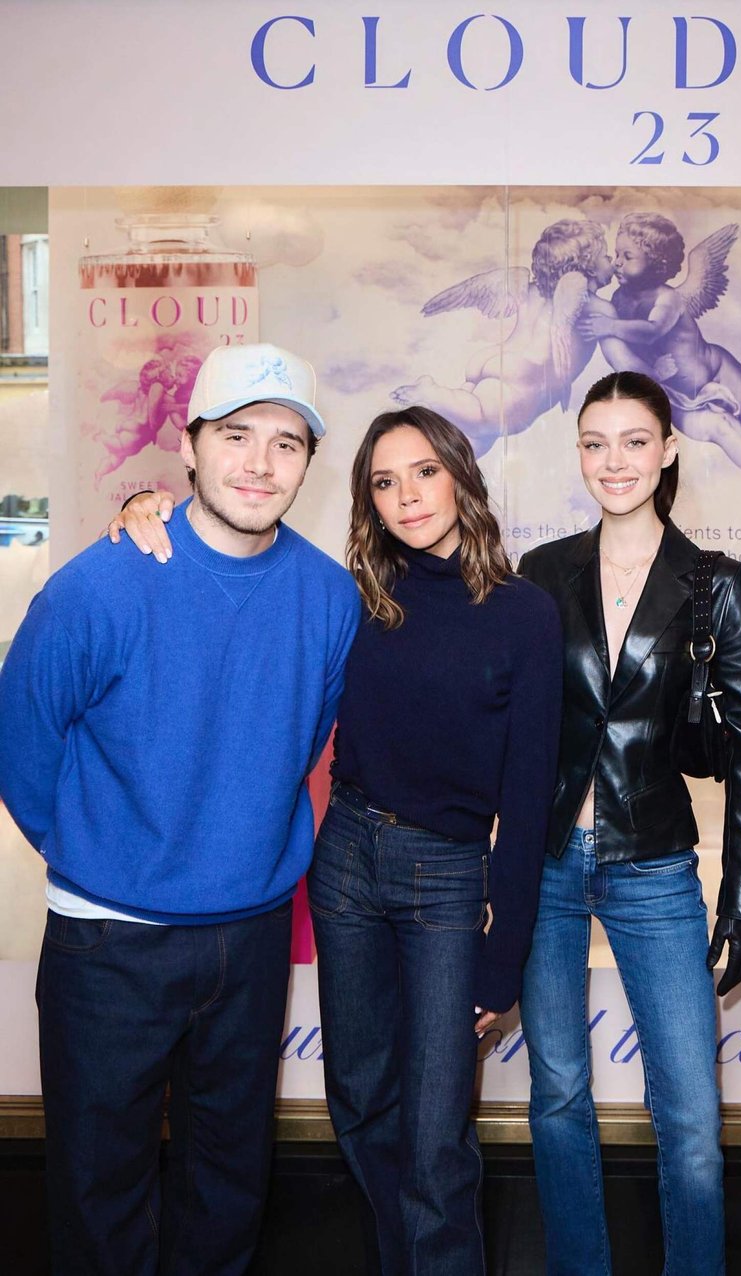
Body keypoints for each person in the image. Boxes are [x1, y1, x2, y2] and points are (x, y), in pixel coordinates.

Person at [110, 405, 563, 1276]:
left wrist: (502, 960)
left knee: (435, 1134)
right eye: (384, 483)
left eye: (424, 472)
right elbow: (224, 564)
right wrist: (143, 503)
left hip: (446, 881)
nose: (407, 496)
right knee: (357, 1100)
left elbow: (529, 796)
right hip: (347, 860)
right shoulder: (348, 595)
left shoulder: (524, 615)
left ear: (461, 476)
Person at [0, 342, 361, 1274]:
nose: (260, 463)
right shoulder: (104, 581)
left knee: (229, 1182)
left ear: (307, 465)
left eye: (287, 444)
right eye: (237, 435)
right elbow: (23, 742)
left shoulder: (328, 596)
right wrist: (98, 851)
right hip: (108, 940)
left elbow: (303, 744)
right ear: (191, 445)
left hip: (247, 935)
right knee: (99, 1189)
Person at [517, 370, 741, 1276]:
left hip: (654, 864)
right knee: (556, 1096)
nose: (614, 461)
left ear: (668, 449)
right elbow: (508, 730)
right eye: (595, 443)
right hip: (545, 863)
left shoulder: (718, 585)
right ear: (578, 454)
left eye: (635, 441)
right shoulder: (541, 574)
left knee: (691, 1113)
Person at [579, 211, 741, 487]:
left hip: (717, 367)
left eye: (627, 257)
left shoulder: (669, 298)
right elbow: (629, 352)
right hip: (678, 395)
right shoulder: (619, 299)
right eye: (617, 255)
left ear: (656, 263)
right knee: (722, 428)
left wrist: (611, 327)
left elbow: (653, 330)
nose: (617, 263)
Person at [392, 219, 616, 455]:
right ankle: (432, 392)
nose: (612, 262)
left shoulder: (526, 287)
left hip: (495, 360)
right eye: (606, 256)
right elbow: (619, 358)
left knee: (473, 440)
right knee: (484, 419)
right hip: (523, 376)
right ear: (588, 265)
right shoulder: (598, 308)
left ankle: (440, 453)